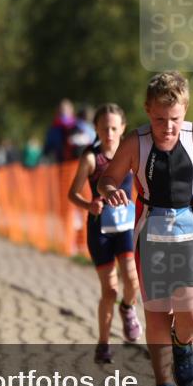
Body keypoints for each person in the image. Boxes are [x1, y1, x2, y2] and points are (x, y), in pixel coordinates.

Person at [97, 71, 193, 386]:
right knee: (157, 314)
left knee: (192, 311)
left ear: (184, 110)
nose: (167, 127)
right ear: (147, 110)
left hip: (190, 233)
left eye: (173, 118)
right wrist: (111, 191)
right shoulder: (135, 142)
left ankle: (183, 344)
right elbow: (107, 179)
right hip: (150, 234)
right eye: (159, 119)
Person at [67, 104, 143, 363]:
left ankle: (128, 308)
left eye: (114, 128)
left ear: (123, 128)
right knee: (109, 290)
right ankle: (103, 343)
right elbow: (72, 193)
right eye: (103, 128)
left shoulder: (131, 154)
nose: (109, 133)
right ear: (96, 129)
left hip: (126, 226)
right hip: (100, 229)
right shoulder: (91, 158)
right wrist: (90, 205)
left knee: (132, 279)